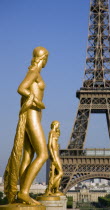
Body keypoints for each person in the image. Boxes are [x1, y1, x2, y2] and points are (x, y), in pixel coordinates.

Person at [4, 46, 49, 205]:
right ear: (43, 58)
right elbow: (21, 88)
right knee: (43, 154)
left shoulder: (35, 72)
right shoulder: (34, 72)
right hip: (32, 115)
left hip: (34, 114)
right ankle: (23, 192)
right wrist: (36, 101)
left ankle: (21, 192)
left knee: (28, 155)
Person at [44, 121, 64, 196]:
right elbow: (49, 145)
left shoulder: (55, 133)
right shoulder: (51, 132)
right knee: (60, 172)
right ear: (55, 124)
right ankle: (49, 188)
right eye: (58, 124)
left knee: (57, 173)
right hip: (54, 155)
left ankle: (56, 189)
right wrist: (52, 156)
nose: (59, 126)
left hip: (56, 154)